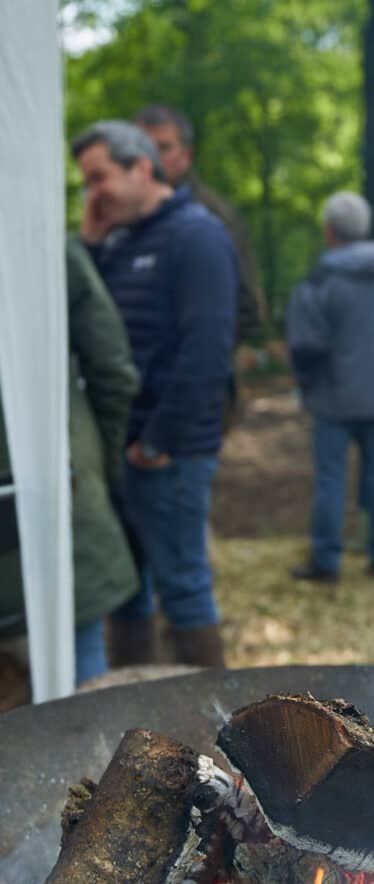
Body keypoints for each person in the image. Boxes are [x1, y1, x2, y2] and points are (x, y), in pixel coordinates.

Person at [72, 120, 238, 668]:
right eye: (86, 182)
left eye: (100, 178)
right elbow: (88, 326)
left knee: (184, 588)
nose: (93, 193)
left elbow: (209, 348)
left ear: (142, 167)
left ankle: (218, 723)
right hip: (121, 448)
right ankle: (133, 719)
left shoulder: (198, 235)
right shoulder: (118, 241)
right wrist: (91, 247)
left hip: (169, 451)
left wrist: (159, 440)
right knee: (126, 589)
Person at [0, 237, 140, 685]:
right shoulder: (34, 235)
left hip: (57, 482)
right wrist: (101, 466)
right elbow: (112, 371)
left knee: (76, 671)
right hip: (59, 479)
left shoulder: (40, 234)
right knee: (79, 681)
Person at [286, 192, 374, 581]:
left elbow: (305, 347)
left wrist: (307, 386)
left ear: (329, 231)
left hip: (333, 399)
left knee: (331, 479)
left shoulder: (321, 279)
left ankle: (327, 561)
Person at [134, 104, 265, 348]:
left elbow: (249, 308)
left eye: (163, 148)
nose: (151, 159)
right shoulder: (119, 216)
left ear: (186, 155)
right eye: (142, 148)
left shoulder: (214, 218)